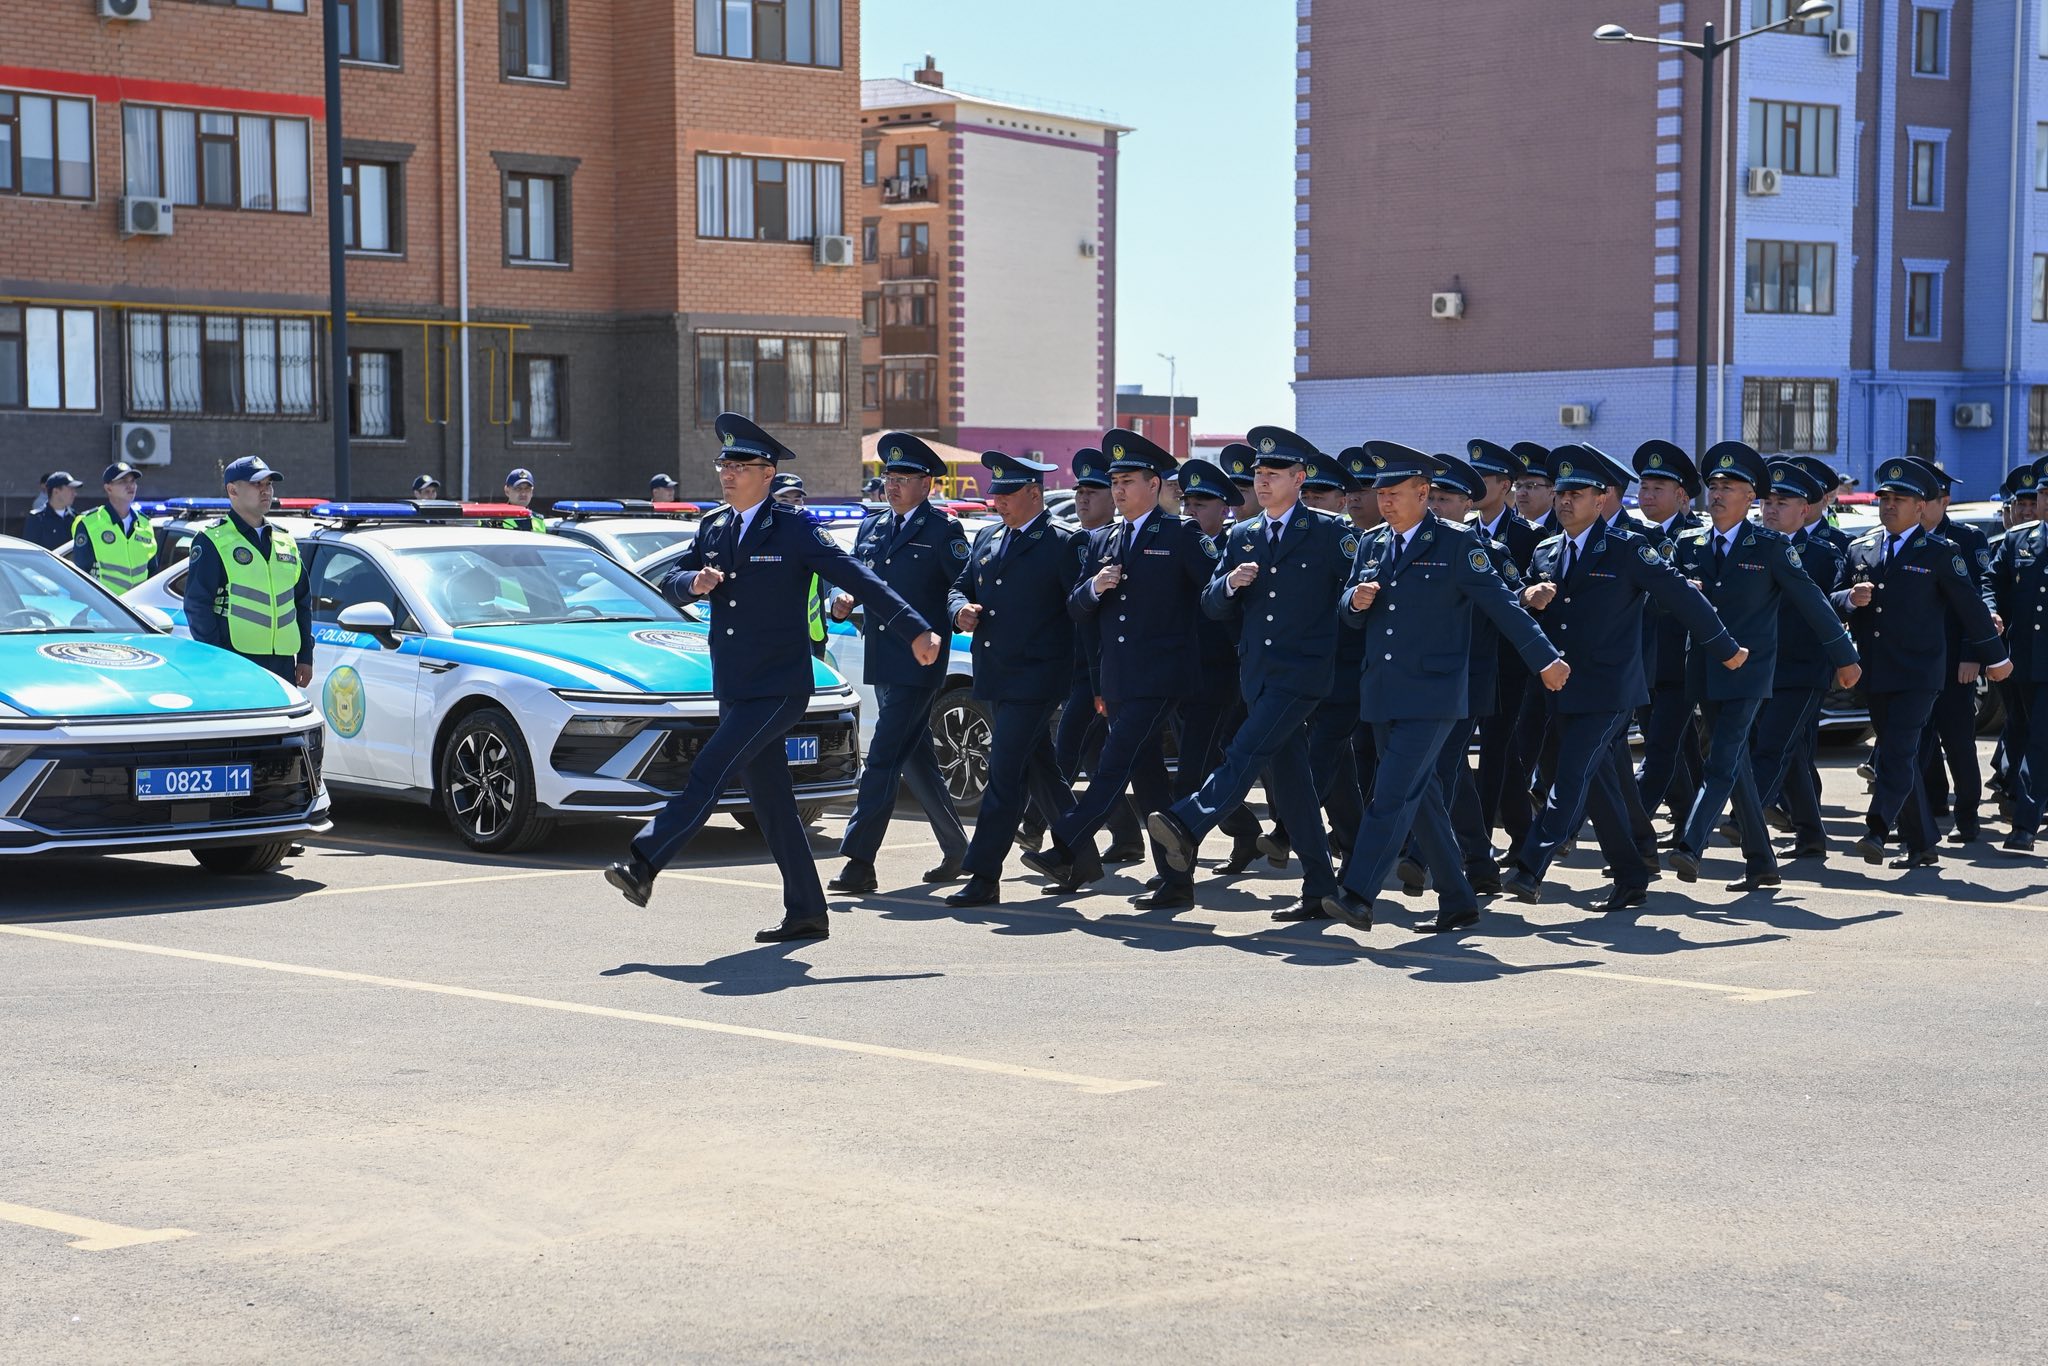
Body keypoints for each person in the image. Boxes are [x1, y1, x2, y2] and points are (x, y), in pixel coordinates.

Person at [606, 415, 944, 940]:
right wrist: (691, 582)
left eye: (739, 465)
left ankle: (644, 862)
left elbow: (863, 580)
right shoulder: (714, 527)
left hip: (780, 686)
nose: (727, 473)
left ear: (767, 473)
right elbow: (672, 581)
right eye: (725, 463)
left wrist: (915, 629)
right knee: (774, 804)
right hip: (735, 684)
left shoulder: (796, 529)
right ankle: (807, 910)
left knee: (710, 769)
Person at [1321, 442, 1567, 932]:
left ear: (1422, 491)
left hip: (1434, 694)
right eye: (1381, 493)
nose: (1385, 501)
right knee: (1424, 798)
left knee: (1390, 794)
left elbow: (1503, 606)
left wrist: (1546, 658)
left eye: (1395, 493)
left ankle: (1358, 892)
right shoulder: (1372, 543)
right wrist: (1354, 600)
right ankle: (1457, 898)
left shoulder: (1456, 544)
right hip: (1384, 689)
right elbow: (1345, 609)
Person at [1501, 446, 1737, 912]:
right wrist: (1528, 594)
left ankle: (1531, 865)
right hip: (1562, 686)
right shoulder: (1548, 551)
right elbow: (1512, 605)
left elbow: (1681, 598)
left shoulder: (1628, 548)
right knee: (1601, 785)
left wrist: (1726, 648)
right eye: (1561, 493)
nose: (1564, 501)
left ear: (1602, 498)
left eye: (1576, 493)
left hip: (1610, 690)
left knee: (1569, 775)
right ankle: (1632, 874)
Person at [1145, 429, 1356, 917]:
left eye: (1273, 474)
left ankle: (1189, 821)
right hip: (1258, 675)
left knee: (1243, 751)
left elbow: (1355, 600)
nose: (1261, 482)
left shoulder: (1330, 533)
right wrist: (1230, 585)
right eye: (1258, 475)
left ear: (1299, 479)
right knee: (1295, 785)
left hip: (1304, 674)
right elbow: (1211, 605)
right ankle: (1321, 889)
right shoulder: (1243, 535)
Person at [1022, 428, 1214, 892]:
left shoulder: (1181, 533)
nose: (1119, 490)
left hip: (1162, 676)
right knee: (1147, 780)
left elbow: (1213, 597)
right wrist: (1095, 587)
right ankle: (1175, 879)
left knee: (1112, 763)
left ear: (1154, 484)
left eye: (1128, 480)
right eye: (1116, 482)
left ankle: (1064, 844)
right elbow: (1076, 608)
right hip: (1118, 678)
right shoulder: (1104, 540)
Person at [1662, 441, 1857, 890]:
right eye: (1713, 485)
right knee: (1739, 770)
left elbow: (1813, 603)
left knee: (1722, 761)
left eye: (1729, 486)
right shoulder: (1688, 544)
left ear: (1751, 496)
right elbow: (1658, 604)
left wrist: (1847, 658)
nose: (1717, 493)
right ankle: (1762, 863)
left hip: (1750, 672)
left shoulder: (1768, 546)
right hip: (1704, 671)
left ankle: (1691, 844)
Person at [1832, 460, 2009, 869]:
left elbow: (1971, 609)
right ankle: (1923, 842)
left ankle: (1877, 827)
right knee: (1905, 758)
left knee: (1895, 751)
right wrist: (1848, 599)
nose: (1890, 506)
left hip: (1920, 674)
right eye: (1886, 498)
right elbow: (1830, 599)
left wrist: (1995, 659)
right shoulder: (1861, 548)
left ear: (1921, 506)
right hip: (1875, 671)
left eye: (1901, 499)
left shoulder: (1940, 552)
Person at [826, 434, 972, 893]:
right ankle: (958, 848)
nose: (892, 484)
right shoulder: (872, 527)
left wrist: (960, 614)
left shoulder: (942, 531)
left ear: (927, 484)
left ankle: (858, 861)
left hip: (920, 661)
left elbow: (960, 587)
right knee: (916, 757)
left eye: (903, 477)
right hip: (881, 657)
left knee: (884, 757)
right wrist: (841, 600)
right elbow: (848, 577)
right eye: (888, 476)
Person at [944, 452, 1081, 907]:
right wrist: (959, 610)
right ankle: (1080, 854)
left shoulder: (1063, 542)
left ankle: (983, 874)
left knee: (1004, 774)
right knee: (1041, 768)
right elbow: (958, 586)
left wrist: (1095, 679)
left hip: (1039, 676)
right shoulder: (987, 537)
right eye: (995, 493)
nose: (997, 502)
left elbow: (1081, 610)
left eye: (1007, 494)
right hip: (996, 674)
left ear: (1034, 494)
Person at [1162, 453, 1267, 881]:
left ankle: (1177, 868)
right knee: (1208, 765)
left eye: (1200, 505)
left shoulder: (1228, 550)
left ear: (1223, 508)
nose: (1190, 511)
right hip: (1184, 675)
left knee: (1193, 770)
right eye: (1187, 503)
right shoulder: (1180, 546)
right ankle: (1246, 830)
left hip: (1219, 676)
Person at [1039, 448, 1146, 861]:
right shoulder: (1076, 542)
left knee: (1067, 750)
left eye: (1094, 491)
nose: (1083, 499)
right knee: (1096, 755)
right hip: (1080, 669)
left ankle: (1045, 831)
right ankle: (1127, 836)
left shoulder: (1127, 542)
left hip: (1107, 672)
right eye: (1078, 491)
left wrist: (1096, 679)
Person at [1749, 461, 1846, 861]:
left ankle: (1745, 818)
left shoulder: (1822, 553)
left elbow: (1835, 602)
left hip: (1803, 667)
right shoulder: (1751, 547)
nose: (1770, 510)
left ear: (1804, 510)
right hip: (1759, 667)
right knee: (1789, 755)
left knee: (1772, 747)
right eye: (1766, 502)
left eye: (1782, 502)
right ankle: (1810, 835)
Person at [1909, 460, 1993, 843]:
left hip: (1954, 662)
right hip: (1911, 663)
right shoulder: (1901, 540)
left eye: (1929, 498)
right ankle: (1924, 813)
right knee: (1912, 743)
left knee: (1958, 742)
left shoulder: (1966, 539)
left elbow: (1975, 605)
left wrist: (1972, 653)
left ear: (1943, 501)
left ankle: (1968, 818)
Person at [1628, 440, 1706, 832]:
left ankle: (1632, 830)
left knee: (1659, 749)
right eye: (1643, 488)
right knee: (1680, 749)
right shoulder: (1632, 536)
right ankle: (1687, 820)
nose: (1647, 496)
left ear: (1680, 495)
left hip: (1682, 662)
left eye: (1657, 489)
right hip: (1643, 661)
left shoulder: (1699, 537)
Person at [182, 457, 313, 687]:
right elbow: (197, 606)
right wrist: (217, 658)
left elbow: (301, 602)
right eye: (257, 484)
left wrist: (305, 656)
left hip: (283, 664)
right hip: (235, 662)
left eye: (269, 484)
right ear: (233, 490)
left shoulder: (285, 540)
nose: (266, 491)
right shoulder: (212, 540)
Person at [1984, 471, 2048, 853]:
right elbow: (1992, 582)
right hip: (2022, 658)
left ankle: (2024, 823)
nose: (2045, 500)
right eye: (2043, 493)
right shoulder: (2018, 540)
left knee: (2040, 739)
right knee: (2022, 734)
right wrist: (1990, 611)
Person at [73, 462, 159, 593]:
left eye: (133, 481)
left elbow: (153, 571)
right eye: (123, 481)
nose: (130, 486)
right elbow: (79, 575)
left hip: (137, 607)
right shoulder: (90, 523)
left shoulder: (145, 523)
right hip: (103, 608)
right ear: (108, 488)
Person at [22, 471, 82, 550]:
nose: (74, 494)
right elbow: (30, 551)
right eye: (70, 489)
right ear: (56, 491)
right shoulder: (37, 518)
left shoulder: (76, 518)